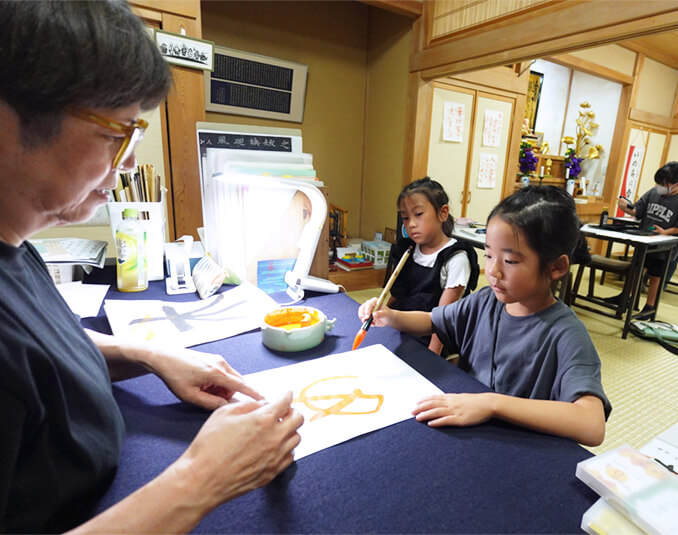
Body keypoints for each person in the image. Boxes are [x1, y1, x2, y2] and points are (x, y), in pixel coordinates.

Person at [0, 2, 302, 533]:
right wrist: (201, 480)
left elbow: (35, 358)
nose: (131, 163)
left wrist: (147, 353)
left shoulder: (16, 247)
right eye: (117, 131)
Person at [359, 186, 611, 446]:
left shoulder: (566, 334)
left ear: (556, 267)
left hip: (514, 447)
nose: (493, 271)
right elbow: (432, 320)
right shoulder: (486, 300)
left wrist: (492, 404)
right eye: (489, 255)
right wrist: (390, 316)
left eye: (510, 261)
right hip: (467, 430)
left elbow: (591, 425)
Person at [361, 177, 479, 355]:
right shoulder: (408, 249)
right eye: (405, 218)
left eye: (418, 214)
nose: (411, 224)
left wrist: (432, 355)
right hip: (402, 325)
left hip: (432, 337)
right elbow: (397, 294)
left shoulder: (456, 259)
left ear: (443, 213)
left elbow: (443, 320)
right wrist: (381, 310)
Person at [614, 162, 678, 319]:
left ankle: (649, 306)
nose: (660, 187)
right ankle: (625, 297)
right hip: (645, 239)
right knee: (637, 269)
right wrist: (625, 207)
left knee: (655, 276)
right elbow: (638, 211)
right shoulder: (653, 192)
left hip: (665, 245)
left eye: (664, 184)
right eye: (658, 183)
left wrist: (666, 232)